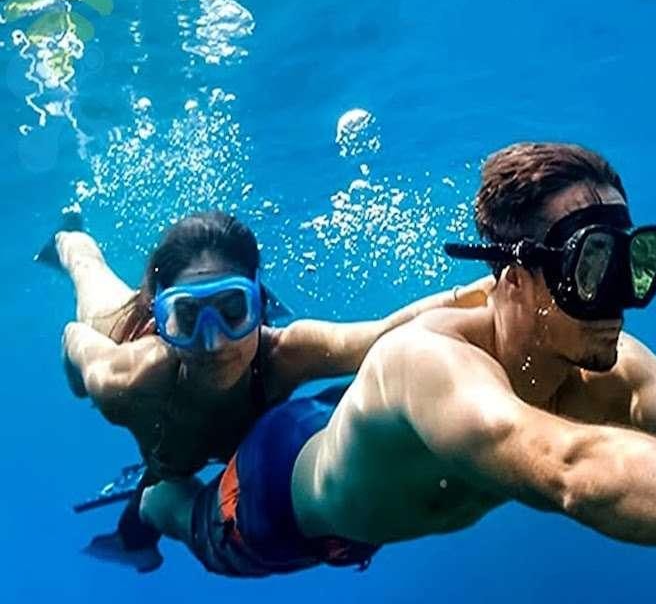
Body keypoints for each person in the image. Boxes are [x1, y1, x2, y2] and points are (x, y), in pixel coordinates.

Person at [136, 143, 656, 577]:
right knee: (180, 511)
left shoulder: (606, 363)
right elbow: (573, 468)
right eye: (589, 267)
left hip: (364, 453)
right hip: (271, 509)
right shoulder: (429, 366)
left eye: (632, 264)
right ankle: (150, 495)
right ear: (511, 275)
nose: (615, 295)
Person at [46, 209, 493, 570]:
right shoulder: (121, 378)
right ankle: (69, 234)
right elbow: (72, 336)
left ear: (258, 303)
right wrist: (78, 382)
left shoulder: (284, 354)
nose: (213, 341)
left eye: (231, 310)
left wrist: (493, 289)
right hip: (125, 348)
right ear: (162, 319)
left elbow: (384, 333)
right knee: (87, 270)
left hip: (180, 454)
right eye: (187, 316)